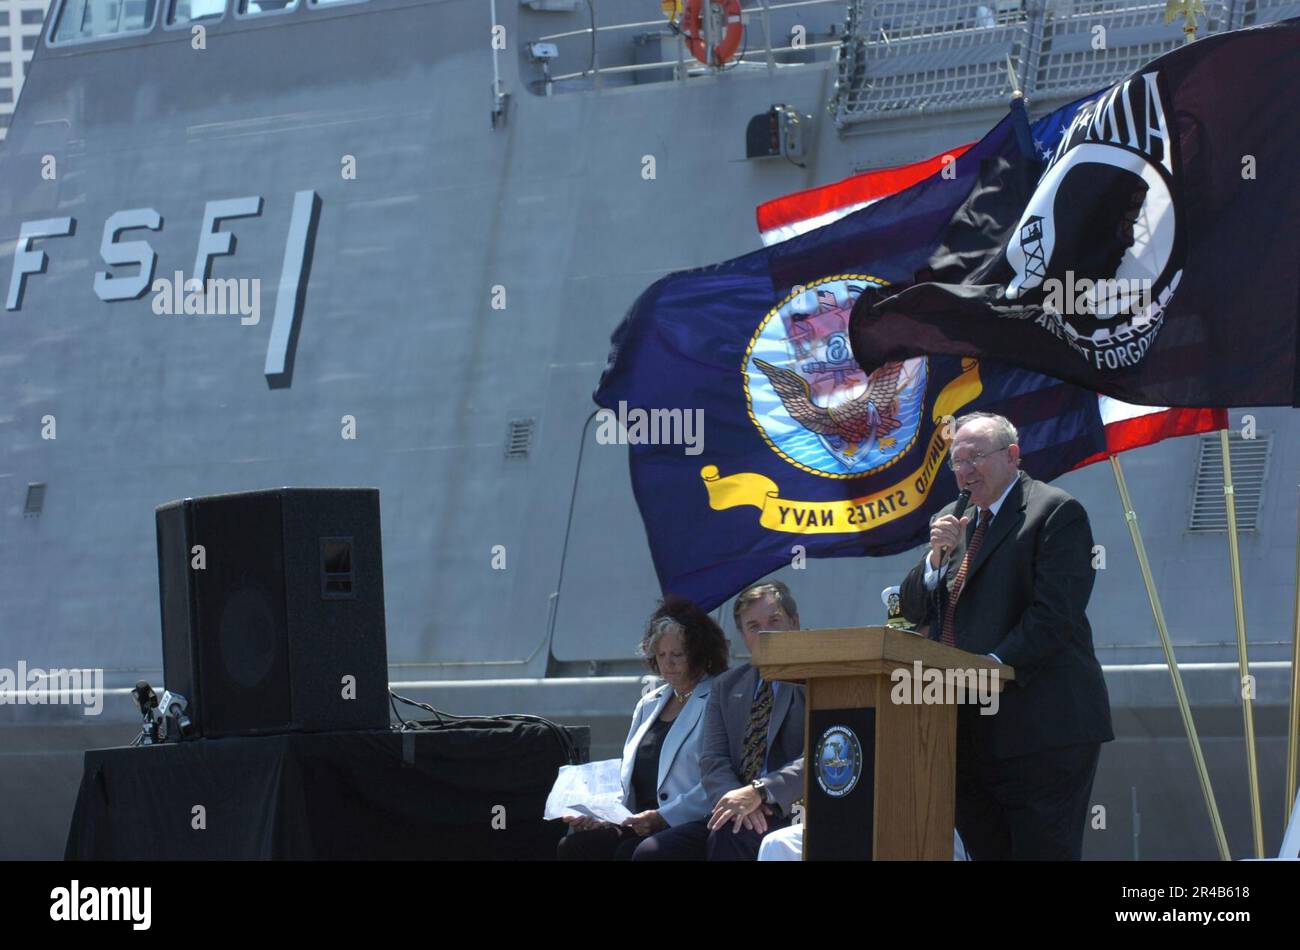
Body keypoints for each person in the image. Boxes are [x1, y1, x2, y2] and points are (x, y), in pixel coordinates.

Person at [898, 411, 1113, 860]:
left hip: (1041, 728)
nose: (965, 471)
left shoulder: (1054, 512)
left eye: (976, 457)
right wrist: (937, 560)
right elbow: (912, 609)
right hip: (965, 733)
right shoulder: (953, 520)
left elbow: (1054, 617)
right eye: (957, 462)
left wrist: (990, 669)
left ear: (1012, 456)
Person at [642, 580, 806, 860]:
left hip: (790, 808)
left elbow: (820, 756)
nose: (765, 631)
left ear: (794, 622)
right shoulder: (728, 686)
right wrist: (736, 798)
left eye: (774, 620)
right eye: (753, 626)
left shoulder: (818, 681)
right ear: (743, 634)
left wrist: (760, 793)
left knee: (730, 838)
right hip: (736, 808)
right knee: (653, 852)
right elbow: (713, 759)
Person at [556, 595, 728, 860]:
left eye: (677, 655)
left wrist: (663, 817)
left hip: (691, 821)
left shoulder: (719, 697)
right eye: (661, 655)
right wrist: (600, 815)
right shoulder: (650, 703)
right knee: (576, 848)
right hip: (639, 821)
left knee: (636, 853)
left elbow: (720, 779)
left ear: (699, 653)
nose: (667, 664)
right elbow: (626, 778)